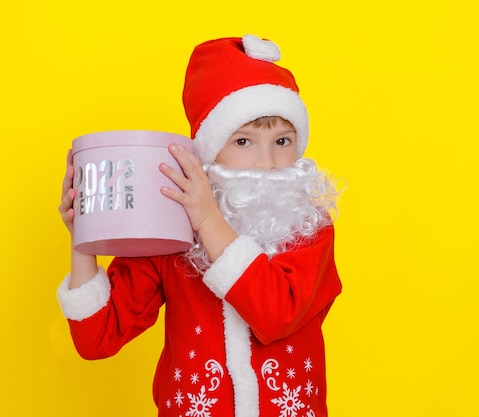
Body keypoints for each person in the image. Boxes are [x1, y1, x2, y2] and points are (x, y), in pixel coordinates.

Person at [57, 34, 342, 417]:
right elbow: (97, 339)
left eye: (282, 140)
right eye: (243, 141)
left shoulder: (308, 229)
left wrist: (209, 220)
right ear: (209, 151)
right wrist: (85, 238)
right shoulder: (172, 226)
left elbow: (276, 314)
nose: (267, 161)